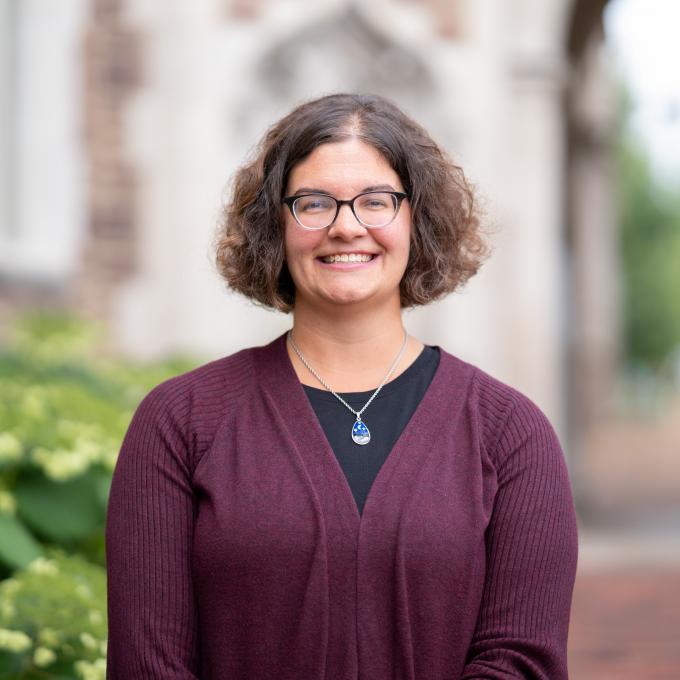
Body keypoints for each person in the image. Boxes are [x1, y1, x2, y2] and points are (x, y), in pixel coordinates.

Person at [105, 93, 579, 679]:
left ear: (418, 218)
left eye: (376, 201)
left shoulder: (510, 434)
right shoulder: (181, 422)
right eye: (313, 203)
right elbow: (148, 666)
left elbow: (521, 663)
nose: (345, 226)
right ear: (273, 225)